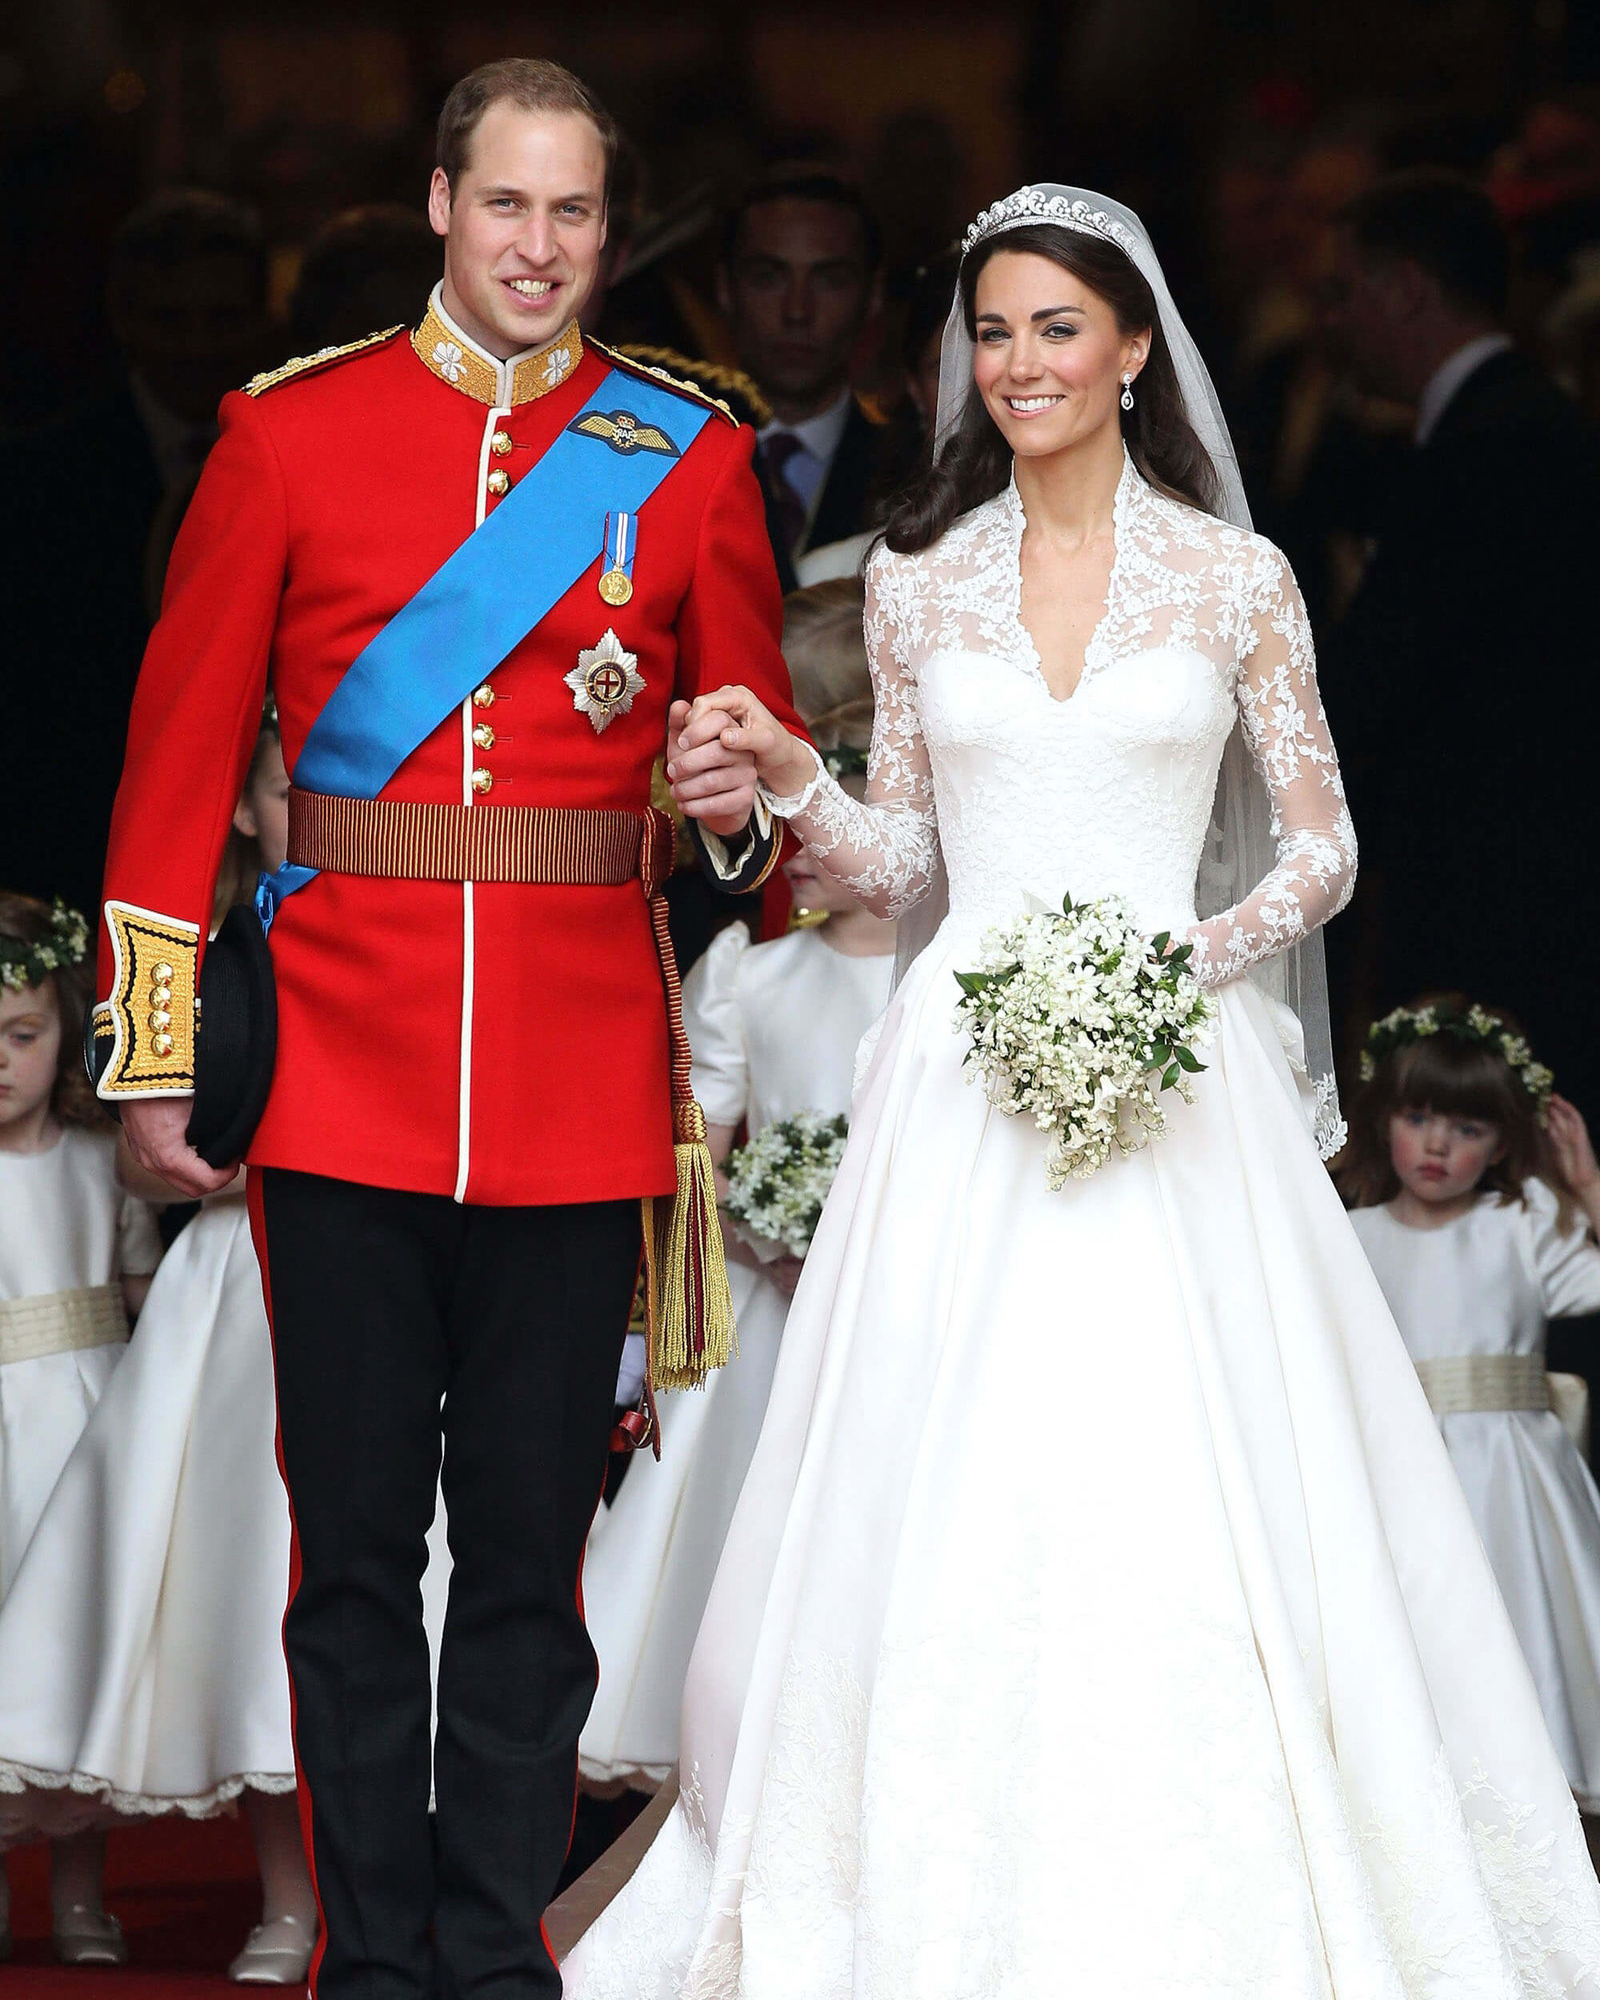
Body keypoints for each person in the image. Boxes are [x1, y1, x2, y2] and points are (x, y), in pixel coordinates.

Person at [563, 185, 1600, 1995]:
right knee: (944, 1470)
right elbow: (902, 863)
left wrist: (1176, 968)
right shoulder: (916, 578)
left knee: (1185, 1474)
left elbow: (1324, 849)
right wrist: (799, 778)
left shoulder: (1236, 576)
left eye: (1057, 327)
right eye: (993, 329)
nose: (1020, 362)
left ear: (1132, 349)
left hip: (1174, 1072)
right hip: (960, 1077)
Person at [90, 56, 801, 2000]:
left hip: (576, 1085)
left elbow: (749, 805)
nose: (538, 248)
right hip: (338, 1072)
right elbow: (175, 771)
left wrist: (741, 798)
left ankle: (493, 1959)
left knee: (525, 1563)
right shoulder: (285, 436)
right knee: (346, 1564)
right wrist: (155, 1051)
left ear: (608, 226)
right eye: (506, 205)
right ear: (437, 205)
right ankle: (374, 1964)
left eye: (573, 213)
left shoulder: (685, 452)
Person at [0, 715, 316, 1987]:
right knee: (244, 1583)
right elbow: (141, 1151)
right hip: (238, 1293)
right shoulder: (186, 957)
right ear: (240, 804)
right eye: (294, 786)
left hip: (398, 1272)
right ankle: (287, 1897)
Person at [577, 582, 896, 1793]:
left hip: (900, 1294)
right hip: (773, 1301)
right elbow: (699, 1140)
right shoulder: (749, 974)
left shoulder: (940, 977)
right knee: (742, 1518)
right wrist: (761, 1217)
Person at [1321, 170, 1600, 1112]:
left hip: (1503, 892)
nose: (1332, 320)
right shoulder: (1516, 421)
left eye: (1345, 291)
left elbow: (1385, 676)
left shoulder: (1493, 445)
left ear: (1405, 289)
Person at [1339, 998, 1600, 1814]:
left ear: (1502, 1143)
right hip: (1398, 1468)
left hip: (1511, 1476)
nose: (1437, 1145)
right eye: (1417, 1118)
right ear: (1383, 1119)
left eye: (1467, 1128)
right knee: (1420, 1621)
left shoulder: (1524, 1221)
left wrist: (1586, 1183)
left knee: (1518, 1615)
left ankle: (1533, 1785)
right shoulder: (1351, 1234)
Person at [1, 191, 272, 919]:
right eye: (170, 320)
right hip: (82, 846)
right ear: (123, 320)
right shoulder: (36, 480)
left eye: (222, 318)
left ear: (262, 318)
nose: (198, 346)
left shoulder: (317, 454)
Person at [0, 893, 161, 1968]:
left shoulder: (105, 1158)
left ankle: (78, 1894)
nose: (1, 1059)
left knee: (73, 1645)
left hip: (85, 1431)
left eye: (22, 1033)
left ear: (63, 1029)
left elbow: (149, 1301)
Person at [720, 169, 893, 569]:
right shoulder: (670, 454)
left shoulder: (912, 470)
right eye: (768, 278)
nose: (797, 311)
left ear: (873, 295)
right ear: (726, 290)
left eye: (830, 281)